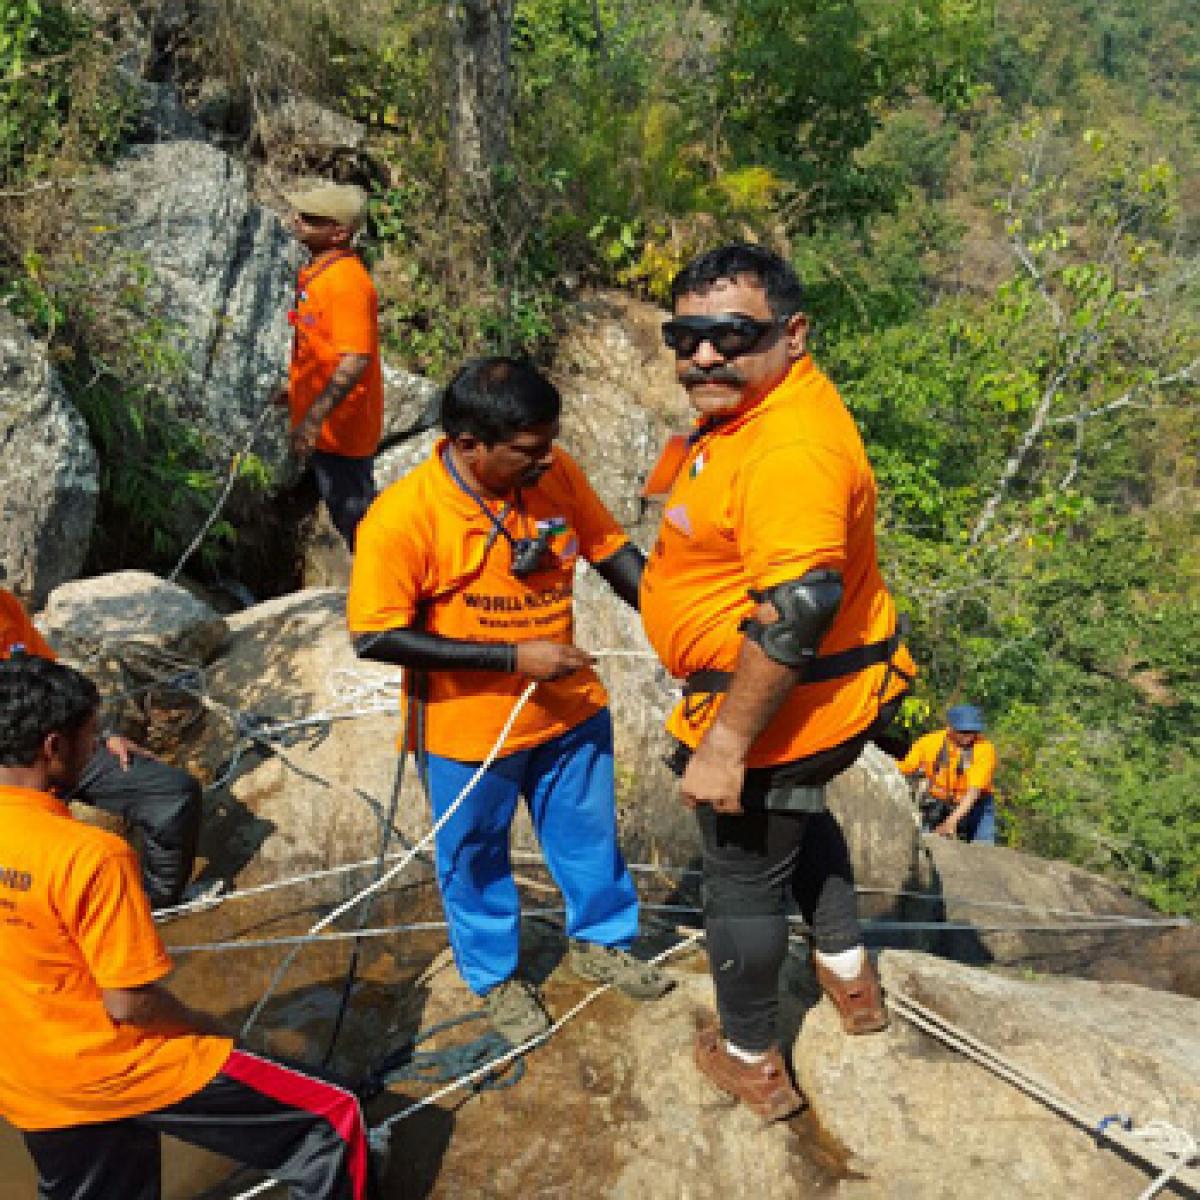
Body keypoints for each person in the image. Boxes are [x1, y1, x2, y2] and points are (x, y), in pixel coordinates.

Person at [638, 243, 916, 1121]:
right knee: (804, 821)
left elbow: (799, 606)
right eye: (685, 335)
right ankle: (849, 977)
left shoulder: (789, 446)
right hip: (822, 704)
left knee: (742, 880)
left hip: (772, 710)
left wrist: (726, 745)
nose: (703, 355)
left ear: (792, 334)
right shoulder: (760, 410)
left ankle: (753, 1056)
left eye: (732, 334)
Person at [347, 356, 671, 1045]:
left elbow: (614, 554)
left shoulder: (554, 476)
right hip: (469, 731)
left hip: (569, 711)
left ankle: (603, 940)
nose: (545, 461)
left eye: (548, 444)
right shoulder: (403, 518)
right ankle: (495, 976)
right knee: (475, 855)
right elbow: (374, 637)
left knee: (588, 839)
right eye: (527, 451)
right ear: (469, 444)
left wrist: (685, 629)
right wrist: (512, 658)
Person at [0, 655, 371, 1200]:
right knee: (335, 1118)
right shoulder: (91, 856)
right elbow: (129, 1004)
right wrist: (207, 1026)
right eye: (90, 735)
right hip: (113, 1064)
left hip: (25, 1080)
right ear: (53, 748)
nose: (97, 745)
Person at [0, 584, 209, 911]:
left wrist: (94, 731)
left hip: (52, 749)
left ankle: (153, 905)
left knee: (171, 794)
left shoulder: (5, 607)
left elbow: (47, 675)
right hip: (14, 765)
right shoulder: (101, 855)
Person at [278, 181, 383, 549]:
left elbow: (355, 359)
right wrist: (294, 391)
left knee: (356, 518)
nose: (297, 221)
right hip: (326, 426)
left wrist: (313, 418)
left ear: (339, 233)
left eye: (309, 218)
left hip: (343, 431)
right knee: (349, 513)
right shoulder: (320, 272)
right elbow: (320, 347)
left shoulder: (347, 284)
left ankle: (394, 592)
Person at [899, 704, 997, 843]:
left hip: (976, 804)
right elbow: (905, 768)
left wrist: (950, 823)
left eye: (973, 731)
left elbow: (973, 792)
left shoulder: (985, 749)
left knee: (985, 848)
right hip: (938, 801)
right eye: (963, 731)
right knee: (922, 843)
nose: (968, 736)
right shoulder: (929, 742)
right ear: (950, 728)